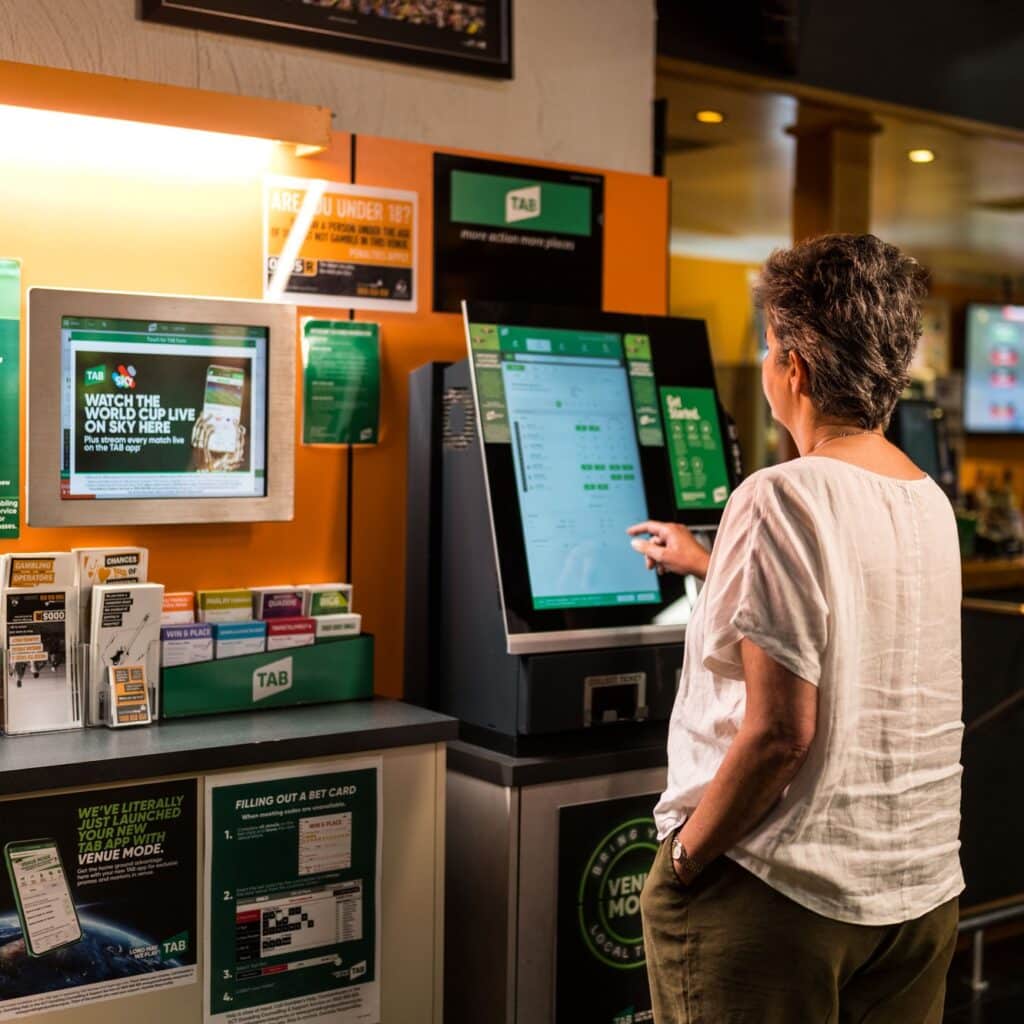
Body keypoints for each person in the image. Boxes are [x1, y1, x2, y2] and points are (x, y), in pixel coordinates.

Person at [630, 234, 963, 1023]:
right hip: (914, 897)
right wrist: (711, 564)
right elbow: (850, 614)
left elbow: (781, 732)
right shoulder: (927, 501)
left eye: (773, 346)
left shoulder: (778, 495)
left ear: (797, 370)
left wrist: (683, 861)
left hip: (781, 893)